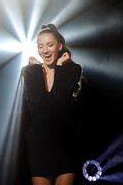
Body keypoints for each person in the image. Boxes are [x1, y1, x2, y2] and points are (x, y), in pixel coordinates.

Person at [21, 24, 82, 185]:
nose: (45, 50)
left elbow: (61, 102)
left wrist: (60, 69)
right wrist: (35, 70)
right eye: (40, 46)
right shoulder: (30, 72)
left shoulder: (72, 70)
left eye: (50, 45)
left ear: (59, 46)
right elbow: (37, 103)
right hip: (39, 147)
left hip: (65, 146)